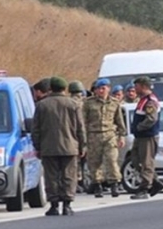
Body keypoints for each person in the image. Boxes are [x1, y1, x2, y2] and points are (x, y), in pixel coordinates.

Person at [32, 77, 86, 216]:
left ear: (51, 88)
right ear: (64, 88)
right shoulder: (73, 104)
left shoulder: (42, 105)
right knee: (69, 176)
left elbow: (35, 129)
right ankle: (67, 205)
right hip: (70, 146)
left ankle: (54, 205)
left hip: (48, 147)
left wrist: (37, 146)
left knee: (51, 177)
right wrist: (82, 146)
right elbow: (80, 127)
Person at [83, 78, 127, 198]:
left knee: (112, 160)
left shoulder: (114, 102)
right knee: (94, 162)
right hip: (93, 135)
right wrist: (83, 139)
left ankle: (114, 184)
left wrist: (122, 136)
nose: (101, 91)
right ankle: (98, 185)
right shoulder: (88, 103)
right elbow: (83, 121)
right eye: (98, 89)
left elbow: (119, 121)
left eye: (103, 88)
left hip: (110, 135)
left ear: (108, 88)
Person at [129, 77, 163, 199]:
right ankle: (155, 182)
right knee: (135, 159)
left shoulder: (150, 101)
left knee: (146, 162)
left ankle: (144, 188)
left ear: (144, 86)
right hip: (140, 137)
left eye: (137, 86)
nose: (135, 89)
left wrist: (139, 127)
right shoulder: (142, 100)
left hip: (148, 137)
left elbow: (151, 119)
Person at [68, 80, 87, 194]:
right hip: (83, 133)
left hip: (71, 134)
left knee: (75, 161)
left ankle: (76, 182)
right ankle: (83, 181)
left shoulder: (68, 102)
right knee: (84, 159)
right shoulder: (85, 103)